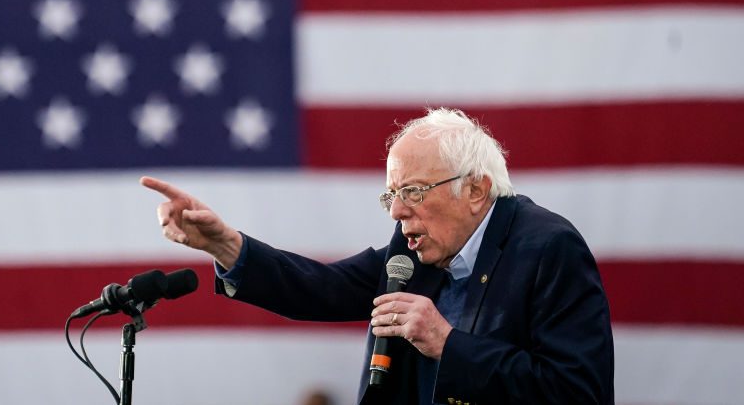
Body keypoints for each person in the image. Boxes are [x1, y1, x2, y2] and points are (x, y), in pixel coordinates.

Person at [141, 108, 615, 405]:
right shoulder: (411, 251)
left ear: (476, 190)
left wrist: (448, 344)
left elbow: (579, 393)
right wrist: (226, 244)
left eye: (412, 191)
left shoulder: (549, 248)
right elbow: (320, 289)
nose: (398, 211)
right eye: (391, 195)